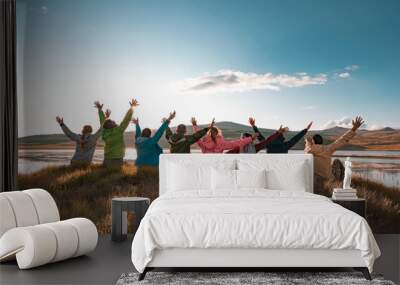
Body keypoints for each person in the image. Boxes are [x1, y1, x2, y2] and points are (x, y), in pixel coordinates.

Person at [305, 116, 364, 192]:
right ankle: (341, 184)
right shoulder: (328, 149)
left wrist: (308, 143)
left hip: (314, 179)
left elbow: (308, 146)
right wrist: (354, 128)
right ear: (321, 142)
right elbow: (342, 140)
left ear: (313, 142)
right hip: (328, 179)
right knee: (336, 161)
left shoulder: (308, 150)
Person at [95, 99, 139, 167]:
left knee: (106, 174)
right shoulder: (119, 130)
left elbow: (102, 122)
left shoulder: (104, 132)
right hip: (117, 157)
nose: (114, 122)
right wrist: (132, 107)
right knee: (116, 174)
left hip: (107, 157)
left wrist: (100, 110)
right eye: (113, 122)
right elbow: (126, 119)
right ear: (111, 125)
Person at [192, 118, 257, 153]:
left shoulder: (205, 142)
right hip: (217, 164)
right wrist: (251, 138)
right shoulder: (220, 143)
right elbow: (236, 143)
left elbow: (197, 137)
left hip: (207, 164)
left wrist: (195, 126)